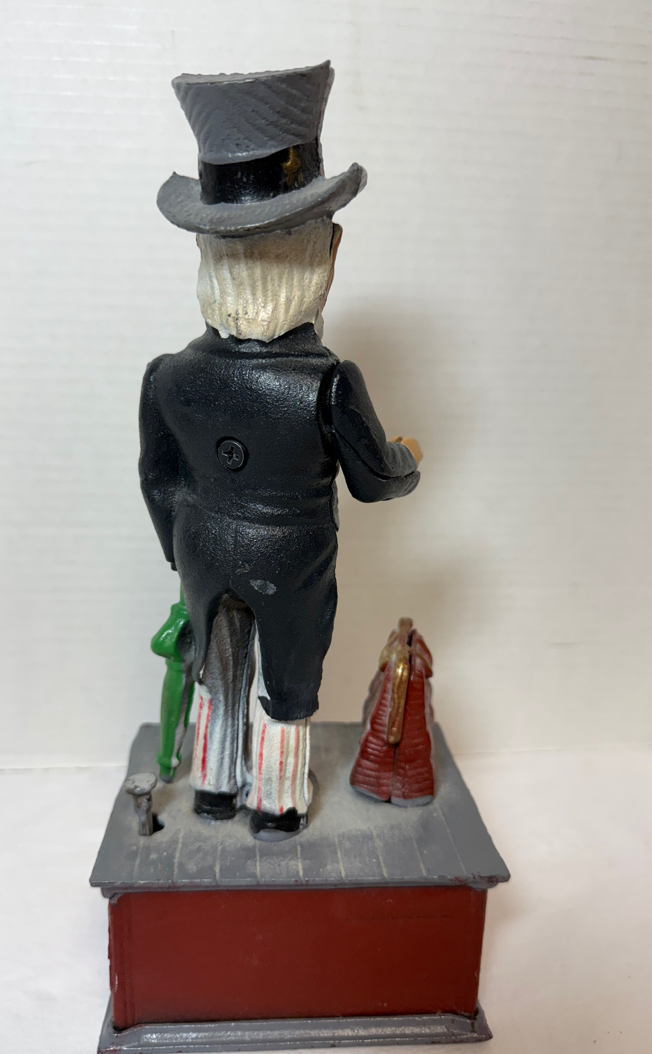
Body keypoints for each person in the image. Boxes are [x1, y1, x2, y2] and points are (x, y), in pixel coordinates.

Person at [139, 62, 421, 840]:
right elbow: (375, 479)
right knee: (288, 683)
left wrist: (180, 552)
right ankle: (275, 802)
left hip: (203, 547)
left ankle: (214, 789)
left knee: (219, 670)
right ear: (321, 256)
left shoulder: (170, 375)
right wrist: (407, 459)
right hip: (292, 558)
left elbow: (158, 481)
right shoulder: (326, 383)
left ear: (211, 256)